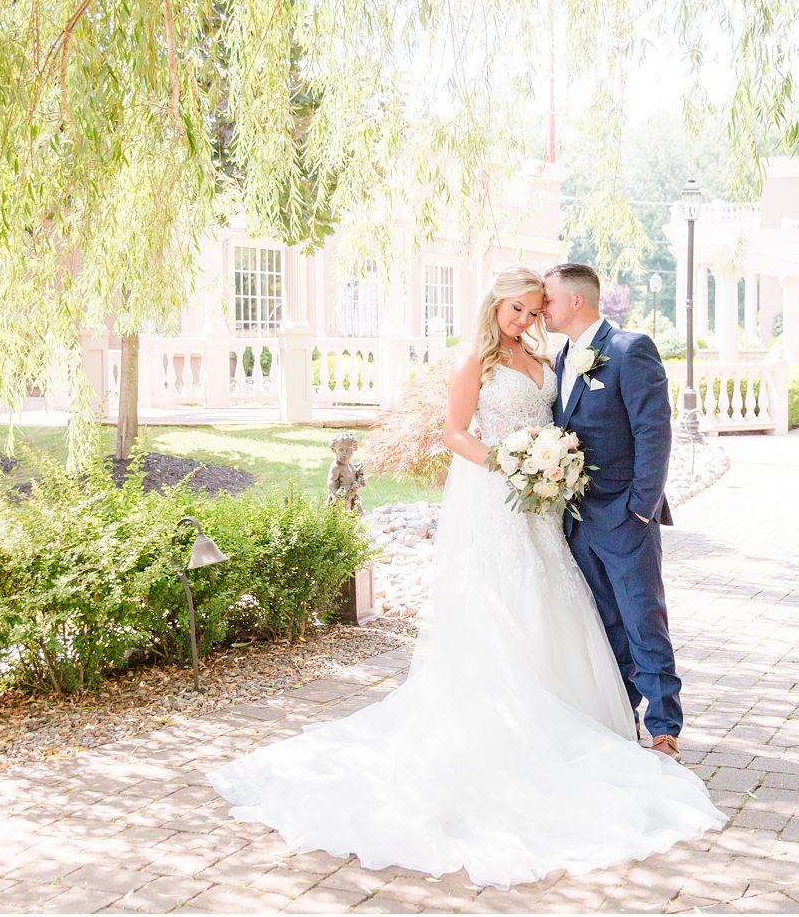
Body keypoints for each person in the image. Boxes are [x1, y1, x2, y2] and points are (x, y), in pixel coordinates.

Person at [208, 264, 723, 890]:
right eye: (522, 309)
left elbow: (615, 428)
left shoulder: (559, 357)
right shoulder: (474, 361)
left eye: (539, 309)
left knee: (601, 611)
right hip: (508, 501)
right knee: (519, 610)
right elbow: (455, 433)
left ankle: (636, 722)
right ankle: (535, 730)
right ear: (496, 304)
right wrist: (510, 464)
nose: (531, 319)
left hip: (557, 509)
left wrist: (592, 487)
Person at [542, 263, 683, 761]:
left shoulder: (630, 349)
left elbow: (654, 432)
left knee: (644, 621)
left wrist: (640, 510)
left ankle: (665, 727)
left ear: (577, 301)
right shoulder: (561, 358)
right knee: (606, 626)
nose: (543, 307)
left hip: (625, 517)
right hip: (577, 519)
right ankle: (624, 718)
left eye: (549, 299)